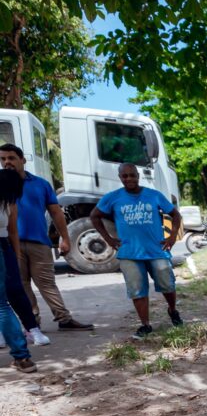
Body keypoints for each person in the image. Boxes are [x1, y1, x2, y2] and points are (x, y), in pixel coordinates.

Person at [0, 143, 93, 331]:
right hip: (8, 245)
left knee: (47, 283)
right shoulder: (0, 184)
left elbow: (56, 213)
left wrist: (65, 238)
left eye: (11, 158)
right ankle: (32, 323)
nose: (7, 162)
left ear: (22, 160)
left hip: (38, 243)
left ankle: (64, 319)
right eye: (3, 159)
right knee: (21, 285)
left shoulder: (41, 184)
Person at [90, 163, 184, 339]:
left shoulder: (153, 195)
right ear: (120, 178)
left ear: (138, 176)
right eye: (124, 176)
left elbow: (175, 215)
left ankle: (173, 310)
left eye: (132, 175)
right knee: (137, 290)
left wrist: (172, 237)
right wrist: (108, 239)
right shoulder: (113, 197)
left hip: (156, 250)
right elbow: (95, 216)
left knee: (167, 284)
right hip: (129, 253)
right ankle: (145, 325)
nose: (129, 179)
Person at [0, 169, 49, 347]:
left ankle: (32, 329)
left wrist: (16, 255)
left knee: (16, 290)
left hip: (5, 246)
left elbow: (13, 230)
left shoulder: (10, 202)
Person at [0, 168, 35, 372]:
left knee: (2, 306)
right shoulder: (7, 202)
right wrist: (15, 256)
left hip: (4, 248)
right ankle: (22, 358)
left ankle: (21, 356)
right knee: (3, 305)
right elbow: (12, 231)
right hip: (4, 247)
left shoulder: (7, 202)